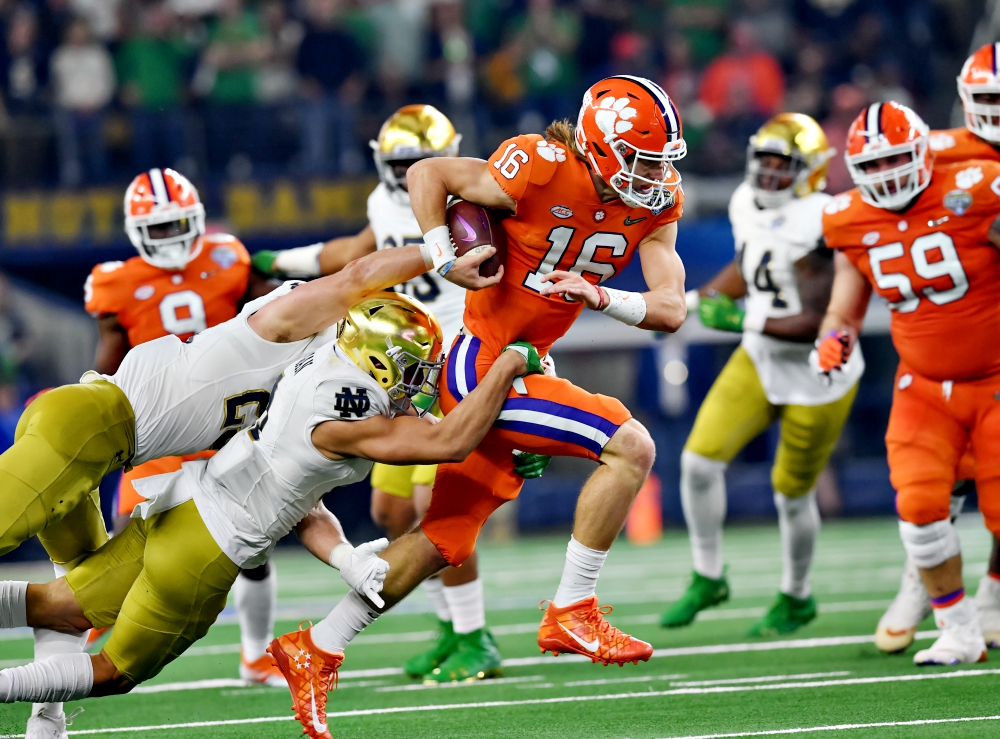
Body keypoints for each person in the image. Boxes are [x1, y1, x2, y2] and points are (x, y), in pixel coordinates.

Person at [268, 74, 689, 738]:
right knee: (630, 443)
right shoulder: (542, 165)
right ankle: (573, 606)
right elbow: (430, 174)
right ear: (599, 145)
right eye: (641, 158)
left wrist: (601, 296)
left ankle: (317, 645)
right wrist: (444, 257)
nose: (654, 173)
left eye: (661, 159)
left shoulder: (657, 203)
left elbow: (671, 308)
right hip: (485, 361)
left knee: (443, 538)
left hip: (523, 362)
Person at [0, 229, 498, 737]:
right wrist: (441, 256)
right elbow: (357, 279)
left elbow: (301, 491)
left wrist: (347, 557)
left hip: (126, 454)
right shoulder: (292, 340)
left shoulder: (304, 373)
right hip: (108, 439)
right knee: (106, 659)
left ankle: (46, 721)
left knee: (62, 606)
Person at [253, 104, 550, 683]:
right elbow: (355, 252)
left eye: (420, 160)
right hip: (396, 365)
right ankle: (448, 625)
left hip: (459, 355)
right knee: (387, 511)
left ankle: (473, 633)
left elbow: (520, 286)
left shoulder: (477, 199)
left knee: (428, 504)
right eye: (402, 162)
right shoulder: (383, 201)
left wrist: (535, 385)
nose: (411, 169)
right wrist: (277, 259)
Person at [81, 166, 282, 704]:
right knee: (130, 534)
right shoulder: (114, 282)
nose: (171, 239)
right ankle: (98, 625)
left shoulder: (229, 257)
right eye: (160, 229)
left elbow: (269, 315)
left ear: (196, 220)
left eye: (178, 226)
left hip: (227, 418)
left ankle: (257, 652)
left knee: (252, 543)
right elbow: (109, 358)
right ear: (137, 231)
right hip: (159, 422)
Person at [660, 113, 861, 637]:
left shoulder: (826, 218)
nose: (769, 175)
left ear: (811, 171)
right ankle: (708, 576)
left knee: (790, 496)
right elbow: (752, 265)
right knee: (698, 463)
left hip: (818, 374)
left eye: (783, 165)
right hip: (760, 358)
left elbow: (820, 320)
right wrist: (693, 302)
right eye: (764, 163)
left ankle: (796, 596)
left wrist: (739, 317)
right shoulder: (745, 203)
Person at [819, 100, 1000, 666]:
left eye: (895, 160)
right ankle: (958, 628)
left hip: (994, 378)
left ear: (923, 154)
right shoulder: (847, 218)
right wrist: (834, 341)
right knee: (919, 508)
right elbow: (843, 312)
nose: (884, 176)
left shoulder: (977, 188)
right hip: (922, 384)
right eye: (870, 166)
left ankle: (988, 602)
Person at [877, 42, 1000, 654]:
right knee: (935, 484)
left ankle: (993, 594)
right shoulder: (940, 150)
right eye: (989, 101)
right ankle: (920, 584)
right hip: (945, 339)